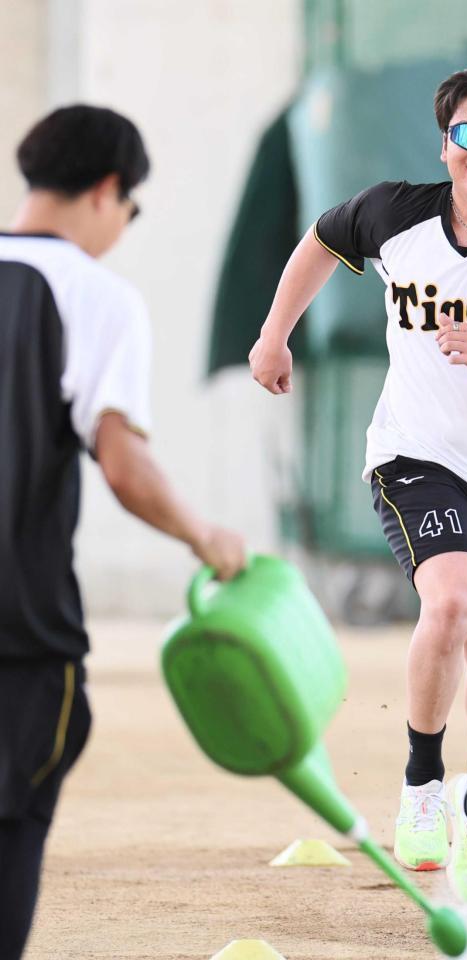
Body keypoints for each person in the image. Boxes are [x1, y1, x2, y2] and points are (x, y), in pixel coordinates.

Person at [249, 56, 467, 904]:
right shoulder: (392, 213)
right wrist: (274, 335)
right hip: (414, 453)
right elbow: (320, 244)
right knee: (449, 597)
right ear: (445, 144)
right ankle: (420, 786)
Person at [0, 105, 246, 959]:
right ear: (109, 191)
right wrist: (205, 536)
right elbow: (123, 465)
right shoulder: (94, 296)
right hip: (19, 634)